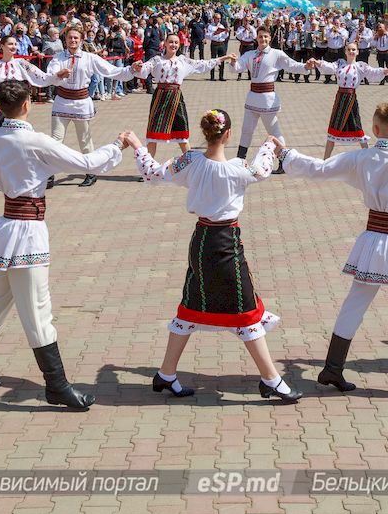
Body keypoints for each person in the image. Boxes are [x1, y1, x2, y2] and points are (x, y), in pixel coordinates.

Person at [0, 80, 125, 410]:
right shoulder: (36, 141)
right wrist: (117, 144)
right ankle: (56, 385)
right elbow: (87, 164)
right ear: (27, 104)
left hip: (9, 228)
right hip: (27, 233)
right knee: (38, 312)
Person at [277, 102, 388, 394]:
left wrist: (286, 154)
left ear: (374, 129)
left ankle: (333, 367)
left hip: (373, 242)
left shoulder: (362, 158)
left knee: (355, 303)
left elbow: (319, 169)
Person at [124, 113, 301, 402]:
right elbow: (261, 170)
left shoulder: (190, 160)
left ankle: (166, 374)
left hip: (201, 240)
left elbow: (154, 174)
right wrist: (269, 145)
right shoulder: (237, 168)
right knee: (244, 310)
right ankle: (271, 380)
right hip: (224, 243)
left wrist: (137, 145)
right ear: (228, 134)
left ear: (205, 132)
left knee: (192, 306)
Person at [44, 24, 132, 188]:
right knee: (55, 140)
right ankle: (49, 174)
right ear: (65, 39)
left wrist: (131, 70)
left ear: (81, 40)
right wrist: (58, 74)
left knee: (84, 140)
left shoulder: (89, 58)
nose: (73, 40)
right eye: (70, 37)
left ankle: (91, 172)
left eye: (76, 38)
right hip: (62, 102)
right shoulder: (58, 58)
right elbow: (50, 75)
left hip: (81, 103)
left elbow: (111, 70)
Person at [0, 43, 57, 202]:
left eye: (15, 44)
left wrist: (57, 76)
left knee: (23, 138)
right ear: (2, 46)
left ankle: (39, 171)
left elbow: (41, 77)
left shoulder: (21, 63)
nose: (14, 46)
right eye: (10, 43)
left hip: (16, 106)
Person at [133, 33, 231, 159]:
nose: (173, 45)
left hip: (176, 98)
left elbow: (201, 64)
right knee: (153, 135)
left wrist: (223, 58)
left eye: (176, 42)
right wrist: (137, 67)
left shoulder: (182, 60)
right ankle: (147, 164)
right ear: (165, 43)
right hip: (160, 98)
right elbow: (143, 70)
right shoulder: (157, 60)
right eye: (171, 42)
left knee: (182, 135)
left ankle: (191, 163)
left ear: (179, 45)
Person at [233, 26, 311, 171]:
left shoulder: (276, 54)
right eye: (260, 36)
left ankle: (284, 162)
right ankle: (239, 160)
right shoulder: (250, 54)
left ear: (270, 38)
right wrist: (233, 62)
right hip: (252, 99)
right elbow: (237, 67)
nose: (263, 39)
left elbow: (292, 65)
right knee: (246, 130)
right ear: (256, 38)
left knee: (274, 131)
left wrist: (305, 66)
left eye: (265, 36)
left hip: (267, 100)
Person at [306, 41, 388, 159]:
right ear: (345, 51)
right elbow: (329, 67)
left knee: (357, 128)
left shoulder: (361, 66)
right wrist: (317, 62)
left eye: (353, 50)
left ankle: (369, 158)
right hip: (340, 99)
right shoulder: (340, 63)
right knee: (333, 129)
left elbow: (374, 72)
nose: (351, 51)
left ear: (357, 52)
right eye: (349, 49)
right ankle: (325, 160)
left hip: (351, 99)